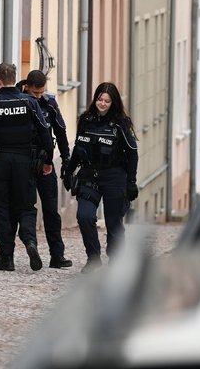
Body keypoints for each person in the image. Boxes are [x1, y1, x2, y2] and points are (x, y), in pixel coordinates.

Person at [0, 63, 54, 271]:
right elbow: (45, 132)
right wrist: (48, 160)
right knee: (26, 206)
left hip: (1, 161)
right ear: (14, 79)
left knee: (0, 206)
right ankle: (30, 241)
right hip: (24, 162)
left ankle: (6, 257)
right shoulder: (30, 102)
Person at [61, 82, 139, 274]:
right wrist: (69, 171)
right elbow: (79, 149)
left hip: (114, 177)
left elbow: (132, 154)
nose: (102, 104)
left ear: (113, 102)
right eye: (99, 99)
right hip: (89, 175)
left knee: (113, 222)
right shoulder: (86, 120)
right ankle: (93, 257)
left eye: (106, 101)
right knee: (84, 216)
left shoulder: (121, 124)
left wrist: (131, 182)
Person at [15, 70, 73, 269]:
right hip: (23, 162)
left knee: (51, 210)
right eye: (35, 93)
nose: (39, 97)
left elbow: (61, 132)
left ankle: (57, 255)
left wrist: (66, 159)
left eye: (41, 93)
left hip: (45, 163)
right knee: (23, 207)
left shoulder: (50, 104)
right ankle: (12, 251)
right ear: (26, 87)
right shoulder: (17, 100)